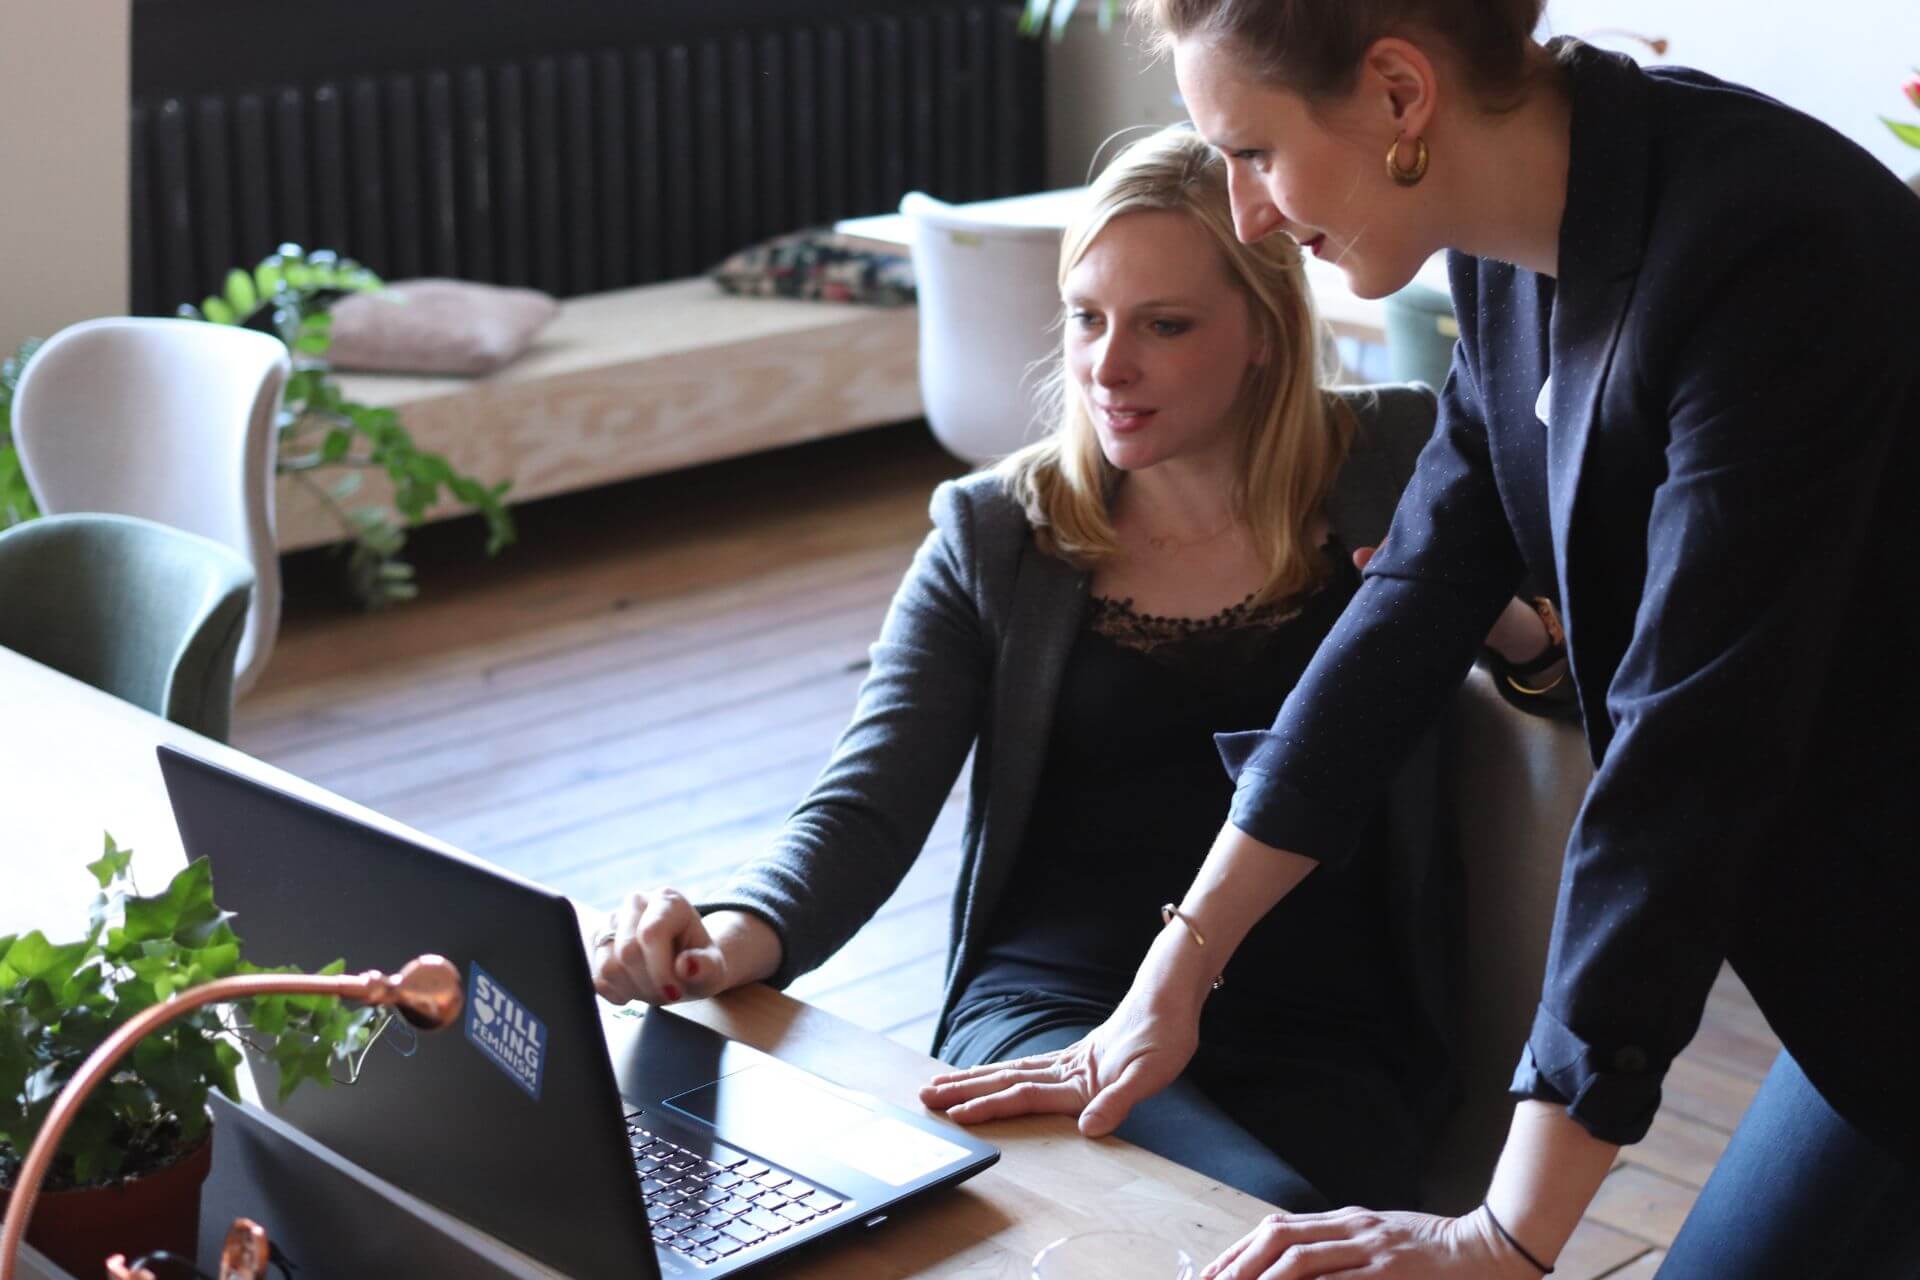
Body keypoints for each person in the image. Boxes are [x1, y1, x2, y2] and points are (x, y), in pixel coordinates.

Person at [923, 4, 1920, 1278]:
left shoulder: (1770, 246)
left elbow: (1689, 759)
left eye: (1256, 153)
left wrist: (1502, 1236)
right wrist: (1175, 972)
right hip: (1860, 954)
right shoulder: (1515, 252)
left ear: (1401, 94)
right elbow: (1414, 598)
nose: (1247, 216)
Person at [590, 124, 1561, 1212]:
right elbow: (865, 803)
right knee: (1219, 1216)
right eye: (1088, 318)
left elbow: (1580, 689)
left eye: (1165, 324)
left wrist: (1509, 630)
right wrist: (726, 938)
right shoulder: (998, 532)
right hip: (1054, 1007)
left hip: (1330, 1028)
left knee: (1257, 1214)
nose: (1109, 365)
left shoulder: (1400, 460)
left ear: (1265, 333)